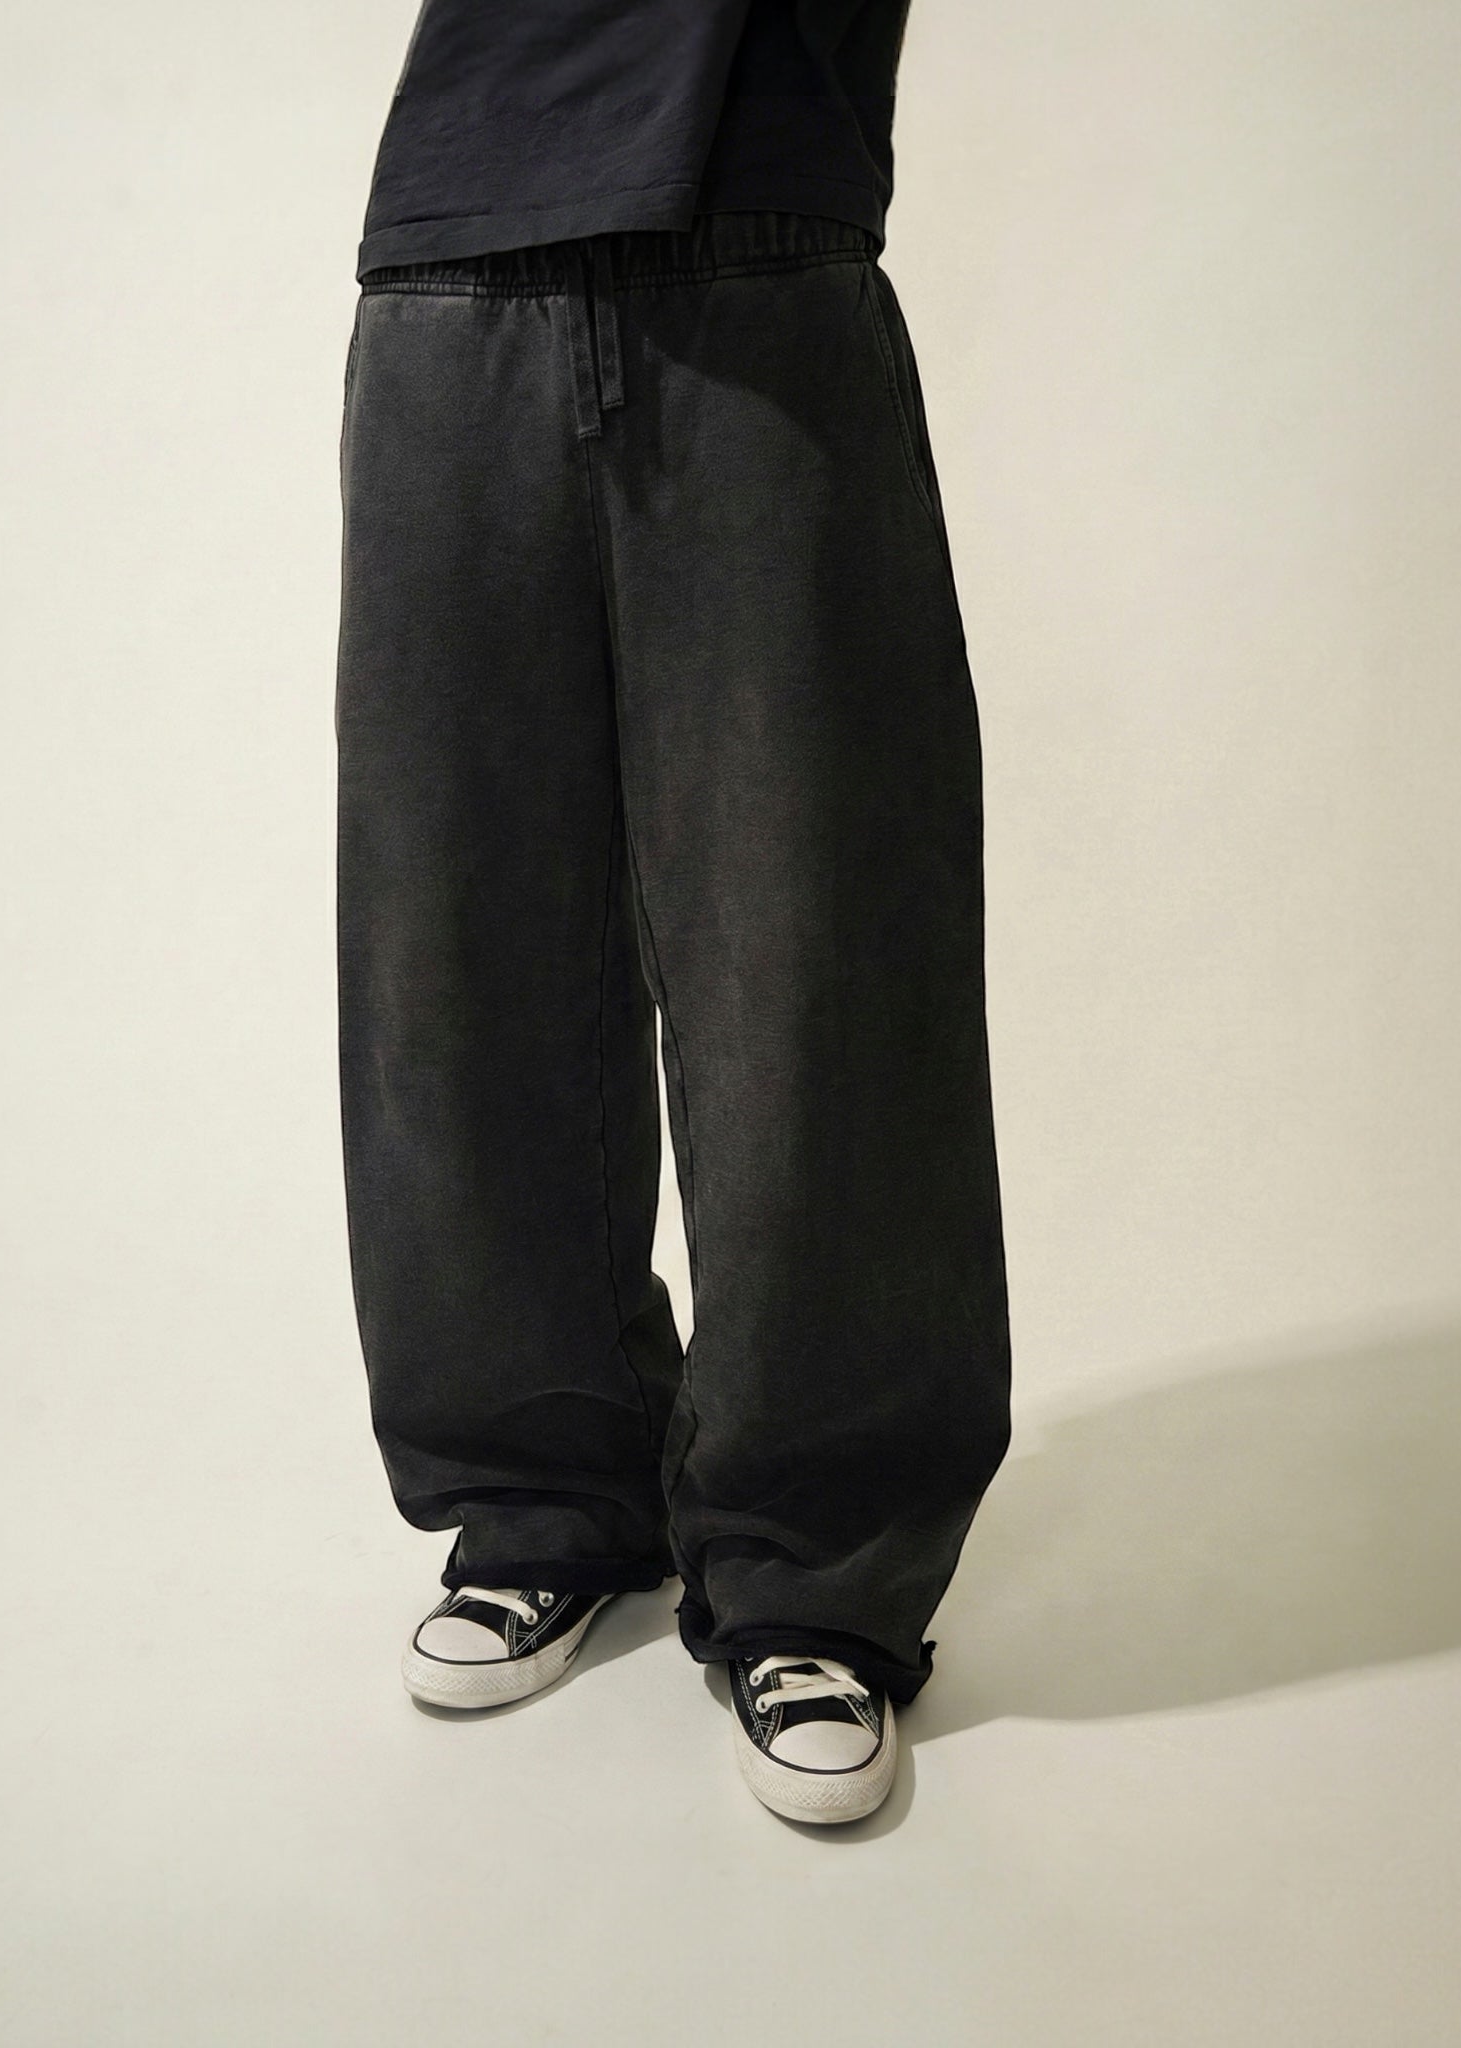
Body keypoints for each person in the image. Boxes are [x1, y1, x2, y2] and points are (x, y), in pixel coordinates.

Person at [335, 0, 1012, 1825]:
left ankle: (820, 1568)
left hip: (764, 257)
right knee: (453, 952)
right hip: (449, 266)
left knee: (814, 954)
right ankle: (544, 1498)